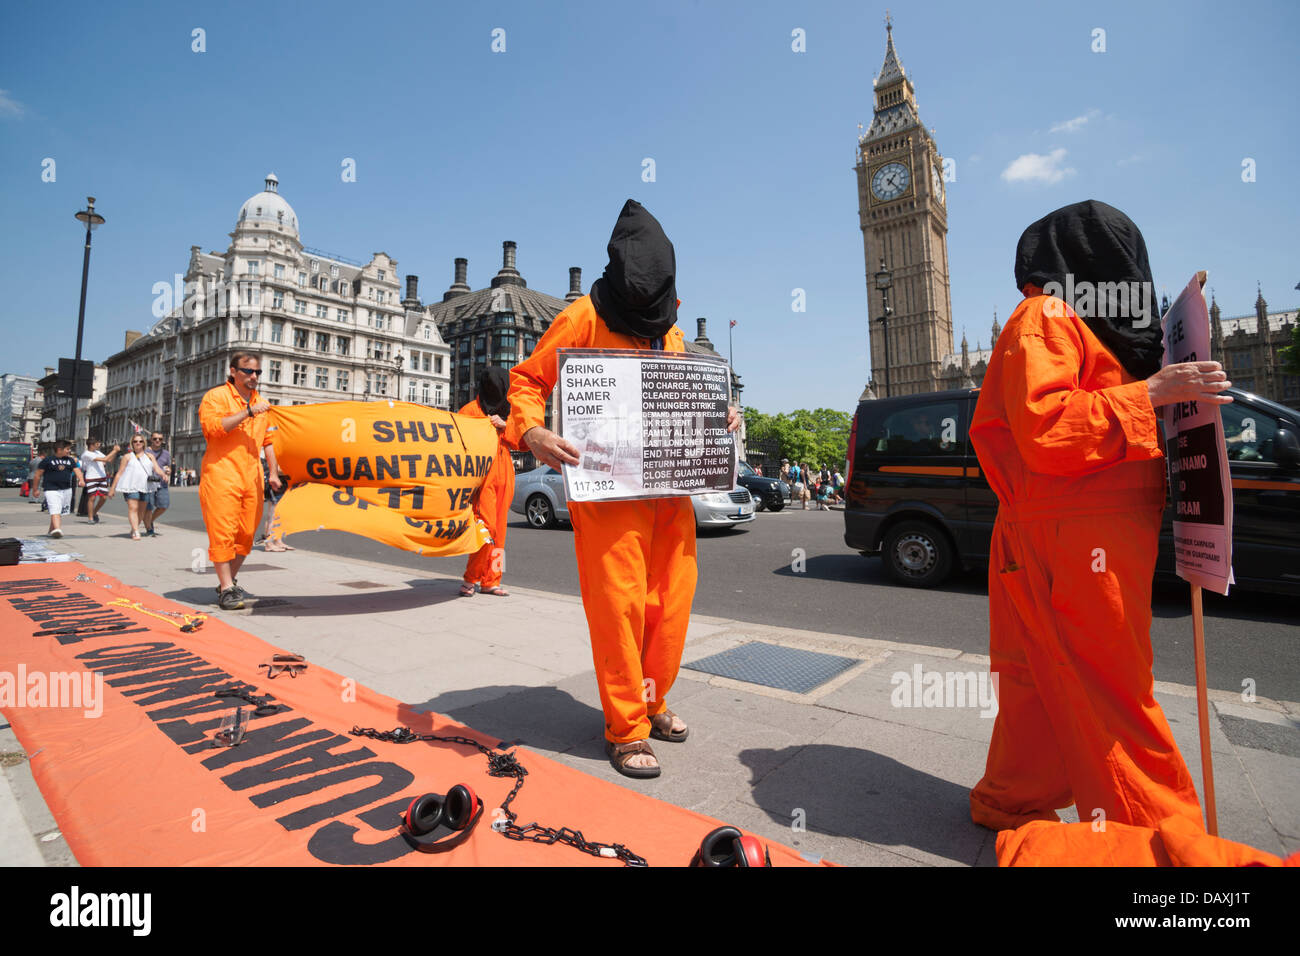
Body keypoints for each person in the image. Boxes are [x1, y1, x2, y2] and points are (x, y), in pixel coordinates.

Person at [967, 199, 1229, 834]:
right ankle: (1158, 839)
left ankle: (1012, 798)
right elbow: (1047, 431)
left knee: (1037, 680)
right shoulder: (1045, 316)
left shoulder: (1092, 325)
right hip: (1066, 532)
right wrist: (1153, 394)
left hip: (1081, 531)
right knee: (1107, 691)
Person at [508, 199, 741, 779]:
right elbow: (527, 380)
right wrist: (532, 429)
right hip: (609, 496)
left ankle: (653, 700)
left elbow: (687, 401)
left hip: (671, 493)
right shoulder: (582, 317)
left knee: (670, 605)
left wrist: (721, 416)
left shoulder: (675, 333)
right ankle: (626, 729)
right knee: (619, 607)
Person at [199, 352, 281, 610]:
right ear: (233, 371)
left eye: (257, 372)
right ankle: (226, 588)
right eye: (248, 371)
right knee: (223, 533)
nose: (253, 376)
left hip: (252, 477)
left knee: (246, 535)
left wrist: (274, 473)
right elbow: (214, 428)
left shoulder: (263, 403)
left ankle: (229, 582)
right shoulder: (216, 397)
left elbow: (269, 442)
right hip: (221, 475)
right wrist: (247, 412)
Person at [459, 367, 515, 597]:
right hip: (483, 477)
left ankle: (492, 580)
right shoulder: (470, 411)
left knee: (500, 532)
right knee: (486, 527)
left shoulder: (509, 412)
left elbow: (522, 441)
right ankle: (471, 577)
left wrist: (506, 426)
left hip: (506, 475)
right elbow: (458, 442)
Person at [108, 434, 167, 540]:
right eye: (135, 441)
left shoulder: (150, 456)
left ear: (144, 443)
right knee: (133, 508)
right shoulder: (127, 457)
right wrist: (112, 488)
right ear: (132, 444)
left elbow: (157, 468)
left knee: (141, 511)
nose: (138, 443)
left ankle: (134, 528)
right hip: (131, 485)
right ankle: (136, 531)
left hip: (145, 486)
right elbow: (119, 473)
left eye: (140, 441)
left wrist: (163, 474)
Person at [34, 440, 84, 538]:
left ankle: (51, 531)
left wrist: (81, 480)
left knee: (58, 511)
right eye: (67, 449)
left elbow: (77, 470)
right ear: (59, 449)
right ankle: (57, 529)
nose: (69, 451)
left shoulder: (70, 460)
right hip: (51, 489)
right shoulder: (47, 460)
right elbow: (37, 475)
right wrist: (35, 489)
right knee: (55, 509)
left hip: (66, 489)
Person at [79, 437, 120, 524]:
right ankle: (90, 518)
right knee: (92, 497)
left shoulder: (97, 452)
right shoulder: (86, 454)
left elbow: (108, 460)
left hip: (102, 477)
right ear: (91, 445)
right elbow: (104, 459)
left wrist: (115, 452)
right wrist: (114, 451)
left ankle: (94, 512)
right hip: (91, 477)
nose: (99, 445)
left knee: (104, 497)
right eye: (97, 444)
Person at [143, 431, 172, 536]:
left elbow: (168, 467)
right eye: (155, 439)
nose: (157, 441)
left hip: (161, 483)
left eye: (160, 439)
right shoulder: (144, 452)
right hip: (148, 483)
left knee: (164, 505)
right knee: (148, 507)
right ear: (151, 439)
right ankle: (149, 528)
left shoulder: (166, 453)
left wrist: (168, 471)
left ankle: (150, 520)